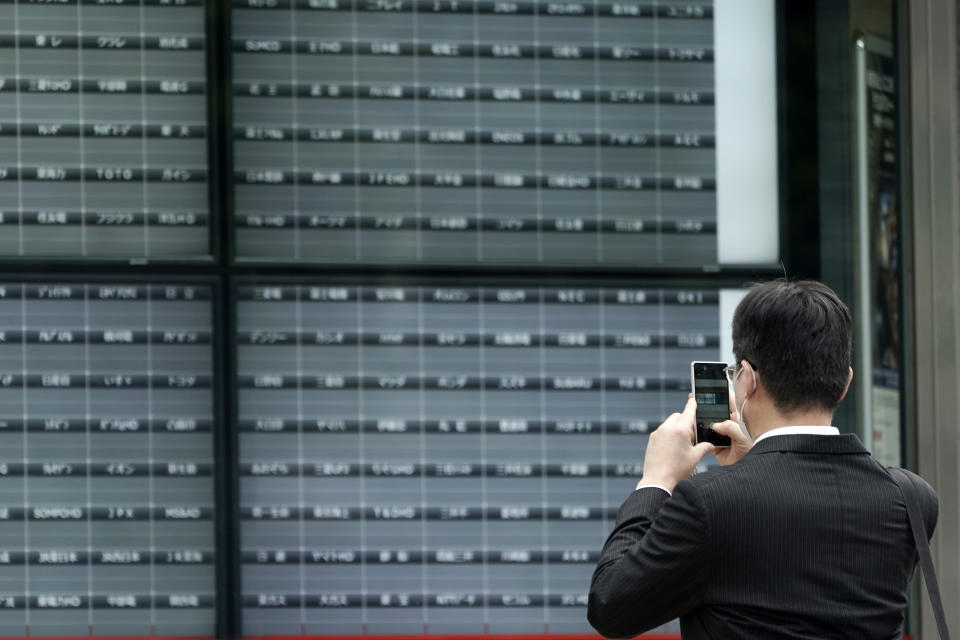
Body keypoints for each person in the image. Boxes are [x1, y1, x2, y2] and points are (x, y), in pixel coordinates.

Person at [587, 279, 938, 639]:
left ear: (748, 379)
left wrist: (656, 481)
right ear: (845, 383)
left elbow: (610, 605)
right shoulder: (913, 498)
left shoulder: (706, 504)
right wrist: (751, 469)